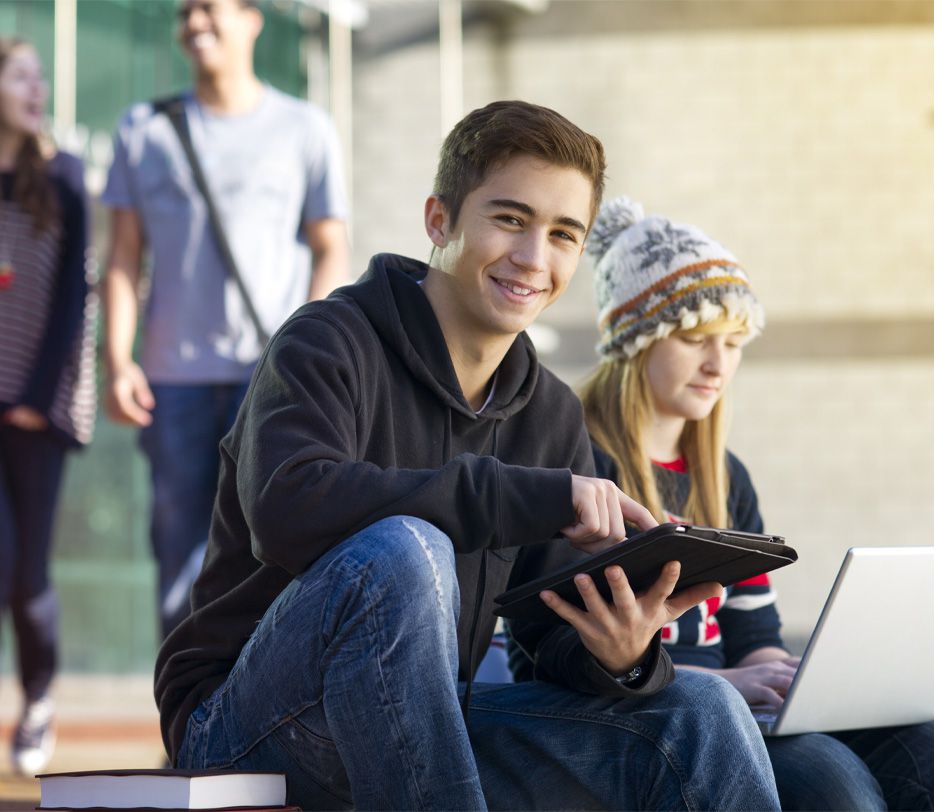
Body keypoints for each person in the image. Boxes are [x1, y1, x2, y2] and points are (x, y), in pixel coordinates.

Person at [153, 100, 782, 810]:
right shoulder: (326, 341)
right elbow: (288, 510)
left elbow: (543, 642)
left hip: (422, 718)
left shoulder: (549, 412)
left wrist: (621, 654)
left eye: (563, 234)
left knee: (699, 711)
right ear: (439, 220)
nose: (533, 258)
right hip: (245, 725)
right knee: (402, 550)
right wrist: (524, 496)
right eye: (510, 220)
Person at [572, 195, 934, 810]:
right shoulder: (587, 468)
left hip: (743, 701)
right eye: (696, 337)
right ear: (636, 341)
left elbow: (755, 636)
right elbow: (574, 658)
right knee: (834, 783)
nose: (719, 364)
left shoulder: (725, 477)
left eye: (734, 341)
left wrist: (799, 681)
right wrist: (733, 683)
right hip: (663, 708)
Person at [101, 0, 350, 639]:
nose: (194, 23)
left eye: (208, 8)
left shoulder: (305, 128)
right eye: (184, 13)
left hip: (270, 382)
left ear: (251, 19)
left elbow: (331, 250)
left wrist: (308, 354)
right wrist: (119, 360)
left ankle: (256, 721)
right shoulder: (143, 129)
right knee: (179, 557)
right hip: (172, 383)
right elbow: (123, 259)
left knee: (274, 556)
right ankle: (187, 728)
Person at [0, 36, 95, 775]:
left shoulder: (63, 177)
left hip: (35, 411)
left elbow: (72, 299)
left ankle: (37, 700)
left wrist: (36, 399)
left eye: (40, 78)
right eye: (19, 75)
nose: (36, 89)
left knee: (28, 571)